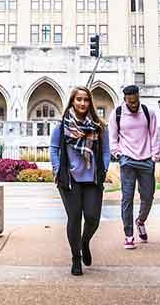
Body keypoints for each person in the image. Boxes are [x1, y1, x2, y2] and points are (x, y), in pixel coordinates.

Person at [50, 86, 111, 276]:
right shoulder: (62, 126)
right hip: (70, 180)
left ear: (90, 102)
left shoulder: (100, 127)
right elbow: (53, 149)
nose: (82, 103)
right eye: (79, 99)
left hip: (92, 179)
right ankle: (76, 258)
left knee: (92, 218)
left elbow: (107, 151)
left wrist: (104, 169)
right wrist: (57, 169)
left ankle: (84, 242)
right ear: (72, 101)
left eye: (86, 100)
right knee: (74, 218)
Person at [109, 84, 160, 249]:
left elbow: (154, 135)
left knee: (148, 197)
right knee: (127, 198)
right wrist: (117, 153)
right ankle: (129, 235)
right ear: (125, 99)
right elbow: (112, 136)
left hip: (146, 160)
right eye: (130, 102)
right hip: (127, 161)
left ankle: (140, 221)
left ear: (139, 97)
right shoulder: (117, 114)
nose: (133, 105)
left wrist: (155, 156)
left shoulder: (148, 112)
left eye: (135, 101)